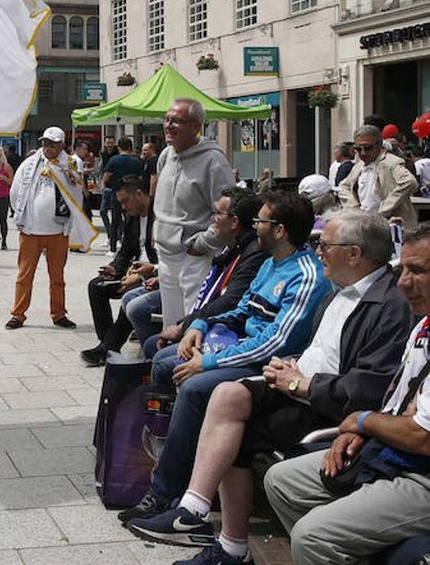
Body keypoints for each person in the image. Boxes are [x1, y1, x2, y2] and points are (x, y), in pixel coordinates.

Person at [128, 210, 411, 562]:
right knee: (227, 394)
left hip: (325, 404)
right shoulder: (338, 290)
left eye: (325, 246)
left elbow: (366, 388)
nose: (318, 252)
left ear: (354, 254)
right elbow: (311, 345)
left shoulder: (387, 306)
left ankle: (227, 543)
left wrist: (302, 383)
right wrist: (291, 365)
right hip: (298, 382)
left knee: (203, 392)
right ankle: (194, 506)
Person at [118, 191, 331, 524]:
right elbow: (242, 309)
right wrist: (200, 325)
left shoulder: (305, 275)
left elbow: (274, 342)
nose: (254, 226)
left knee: (194, 385)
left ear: (279, 230)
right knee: (165, 361)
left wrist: (209, 362)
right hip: (240, 346)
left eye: (260, 221)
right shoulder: (271, 263)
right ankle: (183, 466)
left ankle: (165, 493)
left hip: (270, 365)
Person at [263, 221, 430, 565]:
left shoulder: (390, 307)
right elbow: (397, 405)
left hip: (421, 474)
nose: (403, 282)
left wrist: (363, 421)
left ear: (354, 253)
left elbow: (421, 435)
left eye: (417, 271)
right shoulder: (421, 326)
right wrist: (364, 429)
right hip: (389, 449)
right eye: (402, 270)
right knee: (281, 481)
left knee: (312, 537)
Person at [137, 188, 268, 361]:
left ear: (234, 222)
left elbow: (230, 301)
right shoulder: (233, 247)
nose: (212, 219)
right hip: (208, 321)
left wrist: (185, 325)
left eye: (218, 214)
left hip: (229, 332)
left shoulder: (253, 253)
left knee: (161, 357)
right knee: (150, 339)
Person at [154, 98, 235, 325]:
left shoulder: (213, 161)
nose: (169, 125)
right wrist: (157, 230)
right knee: (171, 324)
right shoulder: (165, 155)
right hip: (165, 255)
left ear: (196, 126)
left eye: (176, 121)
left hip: (194, 257)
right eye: (167, 119)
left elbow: (229, 210)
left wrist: (201, 245)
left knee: (191, 323)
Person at [6, 126, 95, 330]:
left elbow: (76, 193)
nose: (48, 147)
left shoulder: (71, 164)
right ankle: (18, 314)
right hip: (31, 230)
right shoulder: (29, 163)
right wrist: (20, 215)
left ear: (61, 145)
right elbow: (16, 190)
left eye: (53, 144)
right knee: (24, 275)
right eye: (45, 143)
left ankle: (58, 313)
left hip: (58, 230)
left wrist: (66, 174)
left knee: (57, 276)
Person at [80, 175, 156, 366]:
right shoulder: (131, 218)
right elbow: (125, 252)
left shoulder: (160, 216)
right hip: (134, 270)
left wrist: (139, 276)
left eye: (125, 201)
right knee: (97, 286)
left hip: (154, 273)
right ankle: (107, 344)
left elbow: (166, 259)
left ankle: (108, 348)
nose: (123, 207)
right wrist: (114, 268)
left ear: (139, 194)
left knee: (132, 292)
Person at [339, 124, 419, 227]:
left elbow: (410, 182)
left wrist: (384, 208)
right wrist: (354, 208)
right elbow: (343, 186)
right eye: (358, 149)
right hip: (365, 223)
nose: (363, 153)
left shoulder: (391, 163)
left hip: (390, 223)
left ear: (379, 145)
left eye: (368, 148)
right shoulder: (359, 166)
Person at [102, 137, 145, 254]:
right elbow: (141, 178)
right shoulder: (137, 161)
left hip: (117, 193)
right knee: (132, 221)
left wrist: (104, 187)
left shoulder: (114, 160)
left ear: (119, 147)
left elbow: (106, 176)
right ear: (130, 147)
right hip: (133, 194)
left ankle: (112, 248)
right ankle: (132, 247)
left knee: (115, 221)